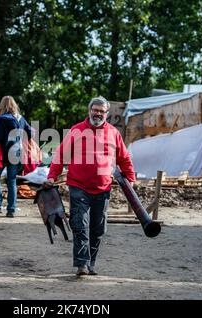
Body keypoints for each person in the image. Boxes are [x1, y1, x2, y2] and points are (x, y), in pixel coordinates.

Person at [44, 96, 135, 277]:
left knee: (98, 229)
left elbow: (124, 158)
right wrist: (52, 176)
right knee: (79, 225)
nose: (98, 114)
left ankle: (91, 262)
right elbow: (60, 155)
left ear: (107, 114)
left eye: (102, 111)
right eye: (95, 110)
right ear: (89, 111)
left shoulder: (113, 133)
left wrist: (130, 178)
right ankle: (82, 264)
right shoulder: (76, 131)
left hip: (103, 188)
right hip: (79, 186)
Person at [0, 96, 32, 217]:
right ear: (14, 105)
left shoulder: (1, 119)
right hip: (17, 153)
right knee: (12, 181)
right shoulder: (21, 119)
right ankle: (11, 209)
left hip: (2, 154)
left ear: (2, 106)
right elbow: (30, 132)